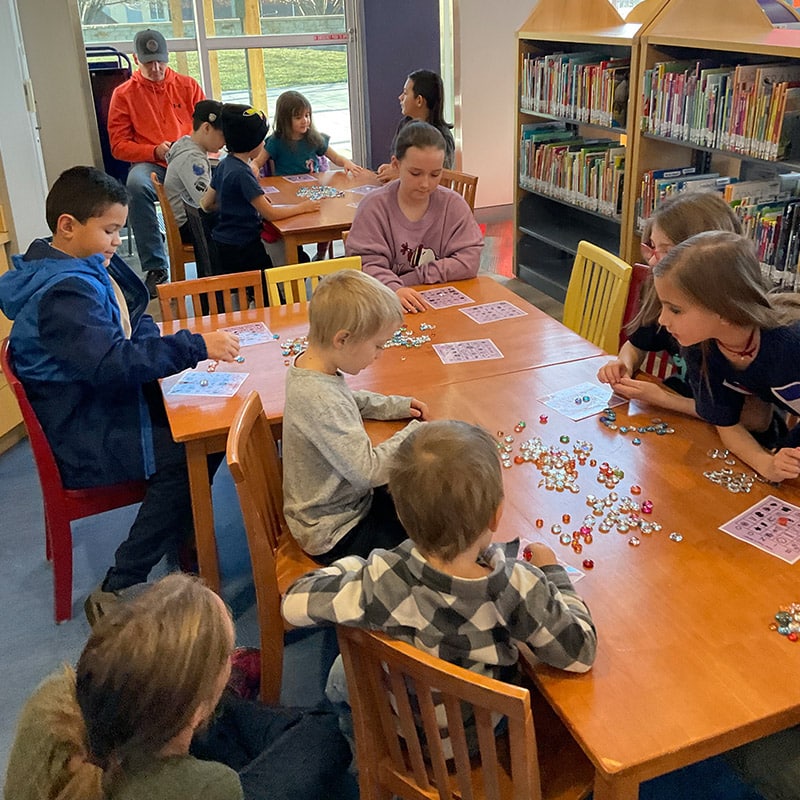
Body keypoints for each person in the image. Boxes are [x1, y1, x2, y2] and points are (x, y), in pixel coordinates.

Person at [0, 166, 240, 621]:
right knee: (191, 449)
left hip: (92, 406)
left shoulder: (70, 265)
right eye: (109, 230)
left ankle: (179, 530)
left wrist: (159, 344)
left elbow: (132, 315)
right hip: (84, 431)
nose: (116, 242)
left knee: (200, 423)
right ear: (68, 226)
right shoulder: (65, 295)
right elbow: (112, 365)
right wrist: (193, 346)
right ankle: (121, 581)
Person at [282, 420, 597, 755]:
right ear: (496, 515)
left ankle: (359, 749)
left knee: (340, 675)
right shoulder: (517, 585)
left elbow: (293, 604)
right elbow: (580, 652)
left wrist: (360, 569)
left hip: (400, 730)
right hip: (479, 741)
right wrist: (552, 571)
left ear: (400, 513)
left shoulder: (383, 577)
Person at [4, 573, 356, 800]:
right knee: (326, 759)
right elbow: (319, 744)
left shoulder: (52, 701)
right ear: (199, 708)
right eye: (228, 657)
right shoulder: (201, 786)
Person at [282, 269, 429, 564]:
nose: (379, 354)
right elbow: (368, 472)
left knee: (421, 504)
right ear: (343, 339)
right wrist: (415, 433)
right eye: (377, 345)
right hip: (336, 531)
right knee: (431, 544)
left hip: (342, 506)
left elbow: (348, 399)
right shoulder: (320, 399)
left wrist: (395, 406)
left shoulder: (312, 367)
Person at [652, 230, 800, 482]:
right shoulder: (699, 349)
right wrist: (766, 463)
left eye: (675, 310)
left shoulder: (789, 345)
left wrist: (788, 448)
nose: (662, 320)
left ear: (724, 310)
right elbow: (726, 424)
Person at [597, 192, 744, 416]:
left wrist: (663, 398)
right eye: (652, 247)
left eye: (666, 251)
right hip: (682, 408)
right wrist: (624, 364)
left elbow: (746, 419)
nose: (653, 261)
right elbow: (637, 344)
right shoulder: (666, 295)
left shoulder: (735, 328)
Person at [345, 120, 483, 313]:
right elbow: (365, 264)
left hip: (440, 305)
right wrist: (395, 288)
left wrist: (414, 278)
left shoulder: (453, 205)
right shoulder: (374, 207)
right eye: (415, 173)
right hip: (385, 307)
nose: (425, 184)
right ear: (396, 164)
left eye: (435, 174)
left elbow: (469, 261)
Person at [107, 29, 205, 297]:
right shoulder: (124, 94)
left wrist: (188, 149)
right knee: (136, 186)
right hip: (152, 163)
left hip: (189, 158)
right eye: (149, 62)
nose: (156, 68)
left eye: (160, 61)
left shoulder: (188, 86)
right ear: (136, 59)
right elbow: (118, 146)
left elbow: (207, 127)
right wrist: (154, 151)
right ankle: (156, 266)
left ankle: (220, 248)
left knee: (223, 177)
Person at [201, 104, 320, 278]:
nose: (264, 145)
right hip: (244, 248)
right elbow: (270, 214)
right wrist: (304, 207)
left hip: (222, 244)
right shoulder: (243, 173)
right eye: (261, 141)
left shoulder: (224, 164)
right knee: (293, 262)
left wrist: (231, 204)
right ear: (251, 143)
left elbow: (206, 204)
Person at [252, 90, 365, 178]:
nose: (305, 120)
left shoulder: (314, 138)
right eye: (298, 117)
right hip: (285, 187)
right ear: (285, 120)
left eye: (307, 115)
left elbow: (335, 157)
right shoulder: (275, 141)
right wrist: (254, 167)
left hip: (312, 187)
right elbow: (258, 162)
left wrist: (346, 162)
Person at [376, 69, 456, 183]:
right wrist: (392, 167)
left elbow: (440, 179)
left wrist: (400, 174)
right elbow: (399, 161)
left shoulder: (442, 137)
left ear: (419, 100)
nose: (400, 97)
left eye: (405, 93)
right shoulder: (404, 125)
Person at [164, 99, 225, 244]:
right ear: (206, 128)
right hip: (191, 227)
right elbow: (206, 203)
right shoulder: (192, 159)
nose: (225, 143)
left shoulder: (185, 144)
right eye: (223, 136)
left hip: (190, 221)